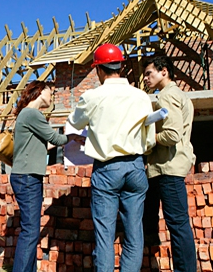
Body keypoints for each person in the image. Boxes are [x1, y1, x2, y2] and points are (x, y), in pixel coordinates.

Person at [67, 43, 156, 272]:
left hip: (107, 169)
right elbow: (150, 139)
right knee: (134, 233)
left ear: (98, 70)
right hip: (136, 166)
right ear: (120, 66)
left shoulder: (93, 96)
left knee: (105, 234)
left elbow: (74, 124)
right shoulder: (141, 96)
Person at [10, 80, 84, 272]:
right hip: (27, 177)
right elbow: (55, 138)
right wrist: (73, 136)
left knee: (30, 230)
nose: (51, 96)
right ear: (40, 91)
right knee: (30, 231)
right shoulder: (33, 113)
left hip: (25, 176)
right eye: (50, 92)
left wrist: (67, 141)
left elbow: (43, 146)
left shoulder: (25, 115)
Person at [142, 55, 197, 272]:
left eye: (149, 73)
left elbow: (172, 135)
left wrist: (149, 139)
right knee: (176, 223)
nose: (146, 78)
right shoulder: (180, 95)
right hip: (169, 166)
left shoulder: (166, 96)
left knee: (178, 225)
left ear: (164, 71)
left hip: (168, 167)